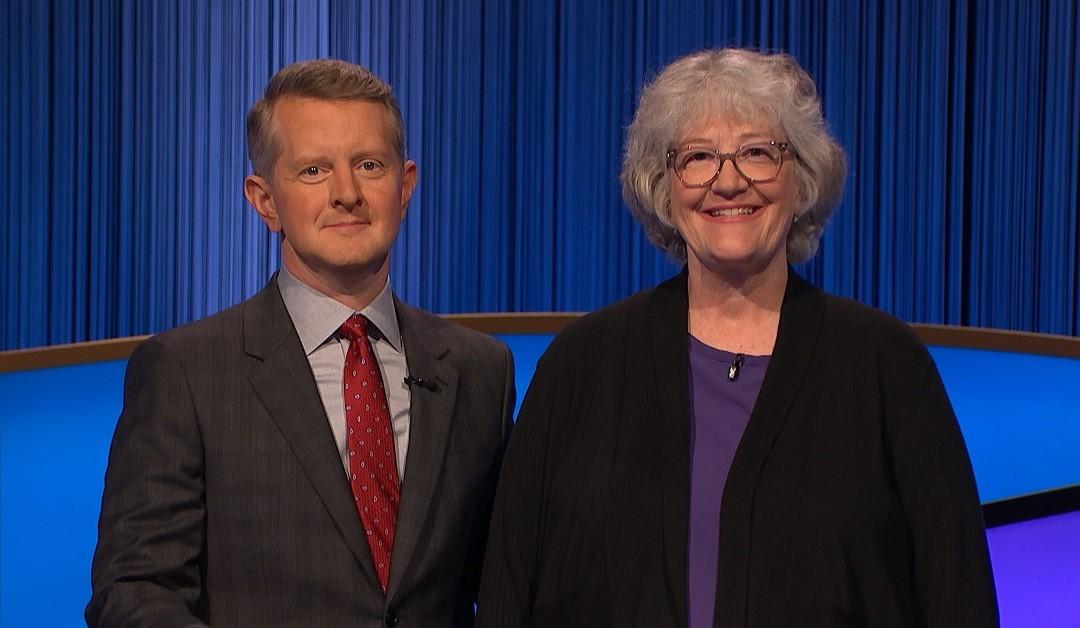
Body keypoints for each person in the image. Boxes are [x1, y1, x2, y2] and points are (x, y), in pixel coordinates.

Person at [476, 48, 997, 627]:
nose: (729, 182)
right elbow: (507, 591)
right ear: (664, 188)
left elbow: (958, 594)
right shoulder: (580, 366)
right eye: (698, 157)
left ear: (802, 181)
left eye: (757, 152)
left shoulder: (886, 366)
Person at [87, 59, 515, 628]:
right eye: (314, 170)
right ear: (265, 200)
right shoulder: (186, 372)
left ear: (405, 185)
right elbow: (135, 592)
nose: (346, 194)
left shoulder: (478, 369)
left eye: (368, 165)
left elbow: (509, 582)